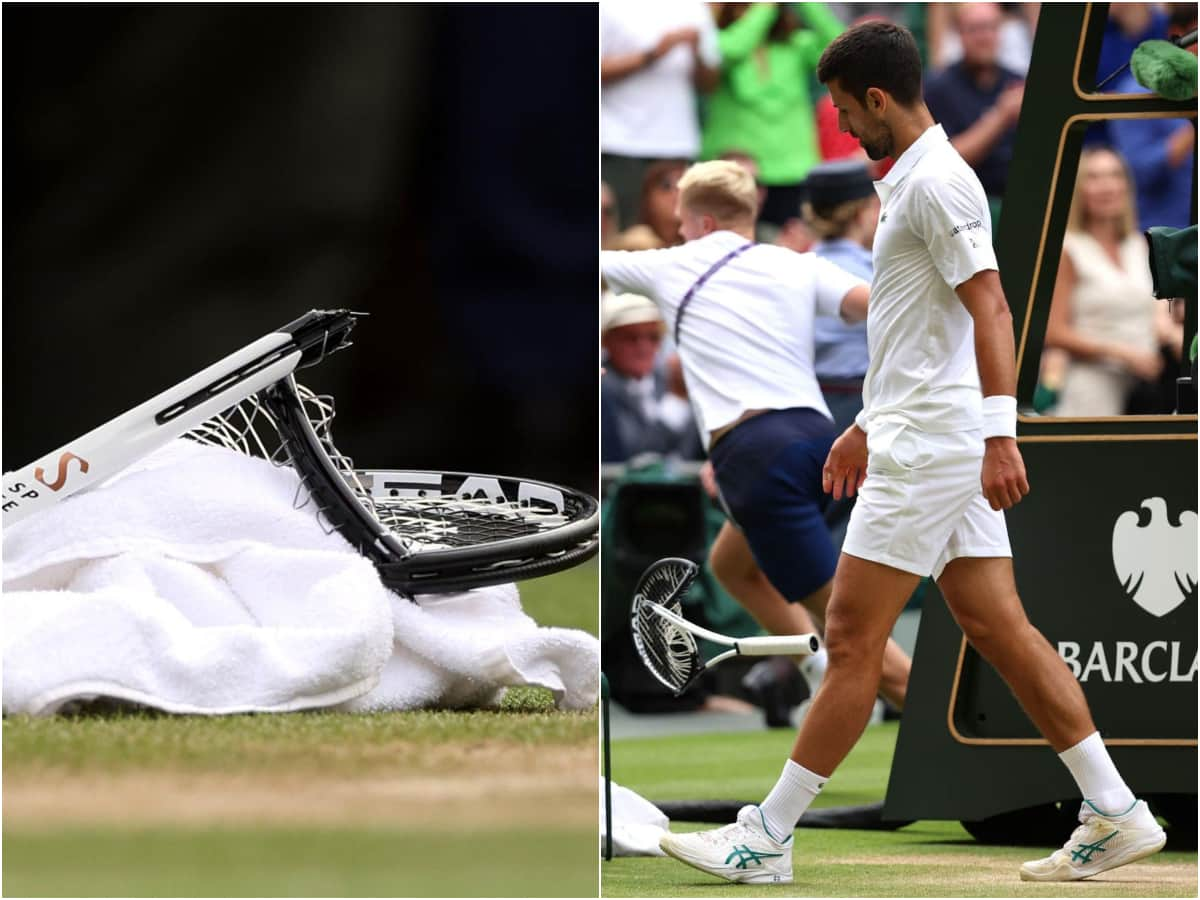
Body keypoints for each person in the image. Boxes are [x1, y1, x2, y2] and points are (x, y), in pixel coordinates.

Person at [654, 22, 1166, 886]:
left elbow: (992, 310)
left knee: (851, 637)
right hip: (920, 427)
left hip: (936, 442)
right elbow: (916, 326)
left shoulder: (937, 186)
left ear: (879, 99)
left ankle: (764, 837)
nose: (846, 127)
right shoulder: (912, 181)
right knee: (998, 627)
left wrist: (1001, 431)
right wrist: (865, 420)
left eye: (849, 111)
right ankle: (1116, 809)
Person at [601, 158, 910, 716]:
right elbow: (880, 308)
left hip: (758, 459)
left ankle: (961, 746)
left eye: (680, 222)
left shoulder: (675, 262)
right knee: (731, 567)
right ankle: (817, 669)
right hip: (821, 443)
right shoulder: (796, 264)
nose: (677, 232)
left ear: (704, 223)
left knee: (856, 636)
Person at [1043, 146, 1171, 416]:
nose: (1107, 186)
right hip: (1094, 388)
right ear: (1079, 188)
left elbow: (1156, 315)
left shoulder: (1138, 245)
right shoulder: (1068, 248)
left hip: (1148, 389)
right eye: (1094, 177)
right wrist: (1123, 354)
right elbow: (1053, 331)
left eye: (1115, 175)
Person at [700, 2, 844, 227]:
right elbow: (729, 50)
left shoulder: (797, 45)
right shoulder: (719, 42)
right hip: (737, 175)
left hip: (795, 174)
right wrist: (767, 6)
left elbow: (843, 48)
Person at [601, 3, 720, 228]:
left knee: (680, 236)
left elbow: (710, 84)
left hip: (678, 145)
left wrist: (697, 55)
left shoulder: (696, 8)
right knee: (621, 240)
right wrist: (653, 54)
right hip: (619, 145)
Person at [923, 2, 1024, 226]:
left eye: (991, 27)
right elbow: (942, 162)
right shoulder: (938, 88)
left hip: (1018, 199)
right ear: (959, 33)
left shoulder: (1018, 82)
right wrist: (1001, 117)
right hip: (962, 208)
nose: (984, 37)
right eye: (975, 29)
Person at [601, 292, 703, 463]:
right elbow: (630, 459)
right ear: (606, 341)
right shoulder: (603, 387)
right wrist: (677, 401)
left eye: (653, 337)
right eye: (631, 337)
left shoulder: (672, 378)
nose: (643, 347)